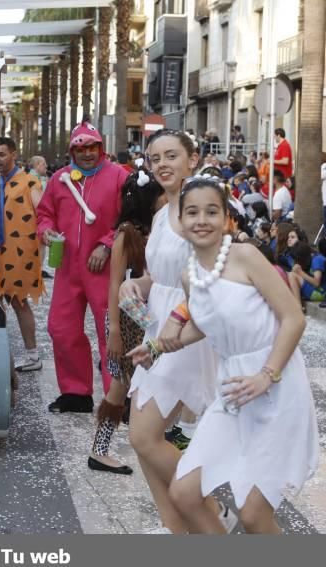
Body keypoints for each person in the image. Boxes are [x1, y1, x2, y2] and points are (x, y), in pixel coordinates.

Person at [130, 175, 318, 534]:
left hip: (277, 387)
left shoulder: (245, 256)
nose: (202, 220)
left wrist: (267, 375)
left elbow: (293, 318)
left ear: (227, 219)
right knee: (185, 493)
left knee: (252, 516)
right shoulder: (190, 276)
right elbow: (204, 324)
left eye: (211, 212)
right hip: (233, 390)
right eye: (193, 213)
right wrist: (157, 346)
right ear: (180, 221)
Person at [118, 131, 225, 535]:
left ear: (192, 160)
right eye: (153, 157)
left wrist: (173, 331)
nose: (161, 164)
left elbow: (207, 278)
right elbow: (157, 275)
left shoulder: (202, 211)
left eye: (171, 156)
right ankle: (175, 529)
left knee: (144, 437)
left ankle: (211, 508)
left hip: (184, 332)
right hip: (155, 328)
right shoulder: (162, 211)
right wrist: (135, 286)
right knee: (143, 439)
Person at [37, 121, 129, 413]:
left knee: (111, 333)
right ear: (72, 152)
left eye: (92, 147)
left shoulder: (118, 177)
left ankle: (118, 397)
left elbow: (129, 219)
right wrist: (47, 232)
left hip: (105, 269)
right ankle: (76, 392)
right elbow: (44, 214)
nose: (87, 153)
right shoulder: (59, 179)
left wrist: (107, 244)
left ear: (101, 148)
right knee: (61, 328)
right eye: (80, 148)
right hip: (67, 267)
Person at [88, 166, 166, 475]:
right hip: (128, 318)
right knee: (119, 387)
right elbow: (114, 286)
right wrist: (115, 331)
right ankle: (100, 450)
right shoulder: (125, 235)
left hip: (149, 316)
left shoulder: (158, 229)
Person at [0, 137, 45, 372]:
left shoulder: (29, 181)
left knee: (18, 301)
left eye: (2, 154)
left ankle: (33, 354)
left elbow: (42, 211)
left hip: (18, 250)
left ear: (14, 154)